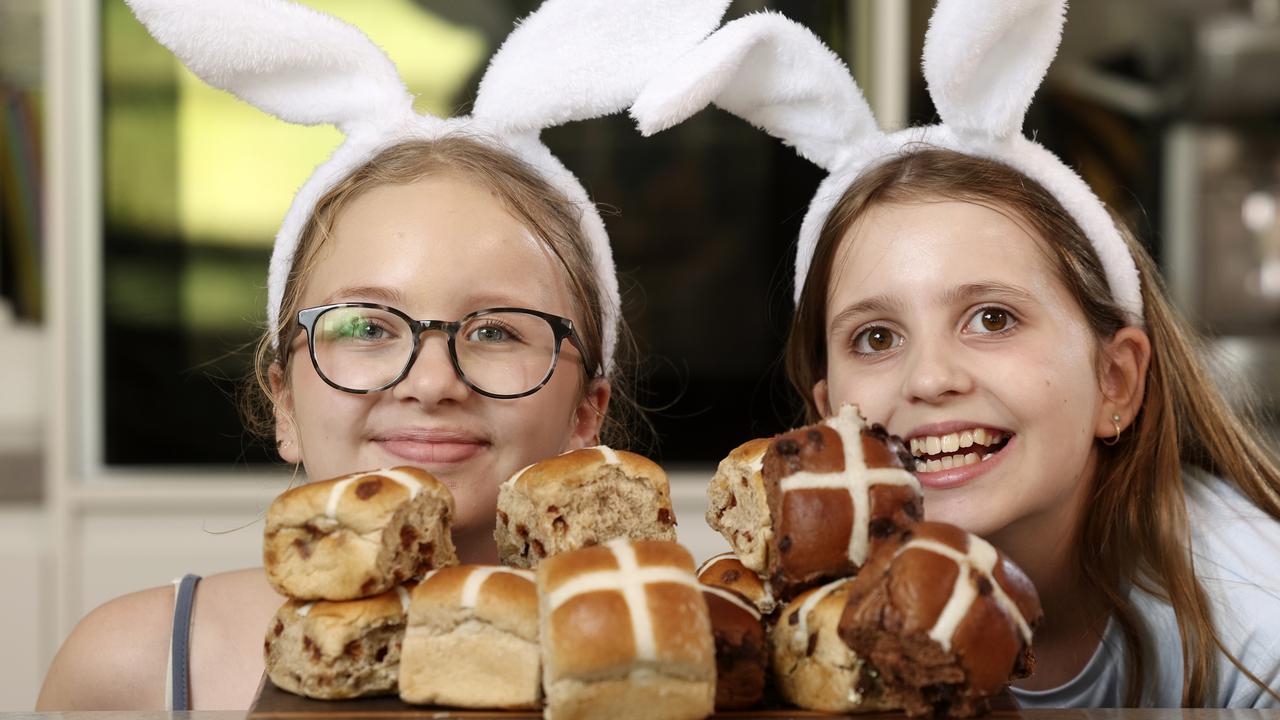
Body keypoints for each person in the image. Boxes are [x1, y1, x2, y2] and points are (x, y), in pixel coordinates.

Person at [37, 0, 730, 710]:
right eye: (367, 328)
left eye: (496, 331)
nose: (431, 383)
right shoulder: (135, 666)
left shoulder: (679, 664)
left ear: (587, 415)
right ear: (284, 403)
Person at [631, 0, 1280, 707]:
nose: (931, 378)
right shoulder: (804, 628)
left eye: (992, 318)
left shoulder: (1255, 630)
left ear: (1115, 380)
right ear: (828, 422)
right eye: (876, 338)